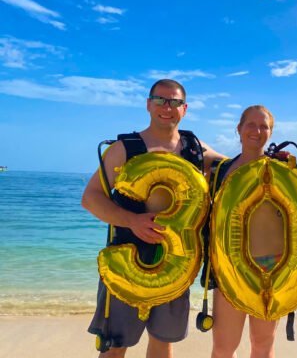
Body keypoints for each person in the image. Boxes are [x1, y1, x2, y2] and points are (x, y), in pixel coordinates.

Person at [81, 79, 225, 358]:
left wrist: (271, 160)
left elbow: (235, 168)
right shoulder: (125, 148)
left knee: (162, 343)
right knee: (115, 345)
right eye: (160, 100)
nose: (166, 107)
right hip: (128, 260)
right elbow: (91, 198)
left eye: (174, 102)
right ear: (148, 104)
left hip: (176, 262)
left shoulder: (194, 149)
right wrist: (132, 221)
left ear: (185, 109)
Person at [206, 105, 283, 358]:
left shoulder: (283, 171)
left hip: (270, 267)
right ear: (238, 130)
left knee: (263, 343)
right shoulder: (220, 171)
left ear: (270, 133)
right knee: (224, 346)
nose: (257, 130)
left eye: (264, 126)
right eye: (251, 124)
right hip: (228, 267)